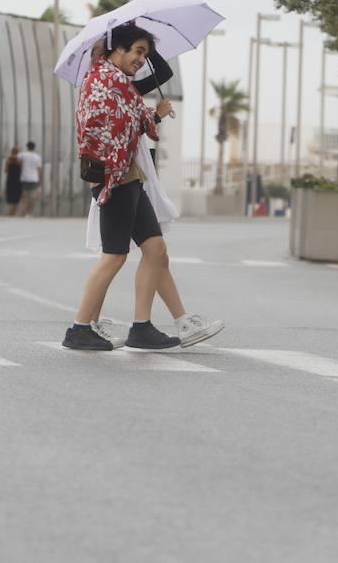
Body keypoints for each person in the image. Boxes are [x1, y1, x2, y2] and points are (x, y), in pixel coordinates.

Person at [63, 23, 224, 351]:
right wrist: (149, 117)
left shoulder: (119, 81)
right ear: (116, 48)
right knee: (114, 256)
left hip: (131, 177)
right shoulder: (103, 79)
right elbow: (99, 127)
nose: (141, 60)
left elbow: (132, 117)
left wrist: (152, 116)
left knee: (155, 250)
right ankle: (79, 328)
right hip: (115, 178)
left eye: (144, 54)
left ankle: (142, 327)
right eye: (137, 51)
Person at [18, 141, 42, 217]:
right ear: (34, 147)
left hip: (24, 178)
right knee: (33, 197)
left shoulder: (22, 155)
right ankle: (29, 212)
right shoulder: (37, 157)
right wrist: (40, 179)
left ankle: (24, 211)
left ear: (27, 147)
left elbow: (18, 163)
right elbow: (39, 169)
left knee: (24, 196)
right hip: (34, 179)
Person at [4, 147, 23, 216]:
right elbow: (22, 169)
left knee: (11, 196)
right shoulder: (19, 160)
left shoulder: (9, 160)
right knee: (16, 197)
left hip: (10, 179)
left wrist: (10, 162)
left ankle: (11, 212)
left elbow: (6, 170)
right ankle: (13, 213)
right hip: (17, 180)